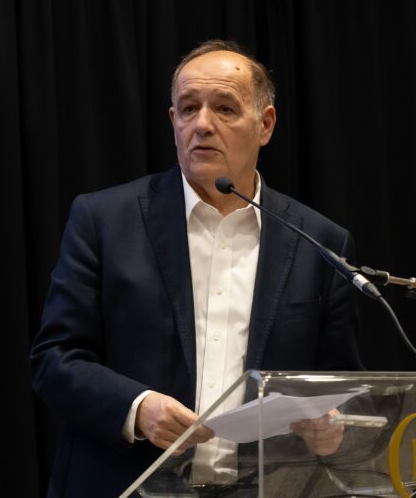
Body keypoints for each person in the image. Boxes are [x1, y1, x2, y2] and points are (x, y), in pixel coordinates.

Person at [30, 39, 363, 497]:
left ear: (265, 125)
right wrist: (138, 408)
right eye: (188, 109)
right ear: (174, 122)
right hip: (125, 483)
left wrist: (332, 427)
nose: (202, 124)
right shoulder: (104, 221)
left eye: (224, 108)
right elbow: (55, 360)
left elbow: (340, 384)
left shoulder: (319, 242)